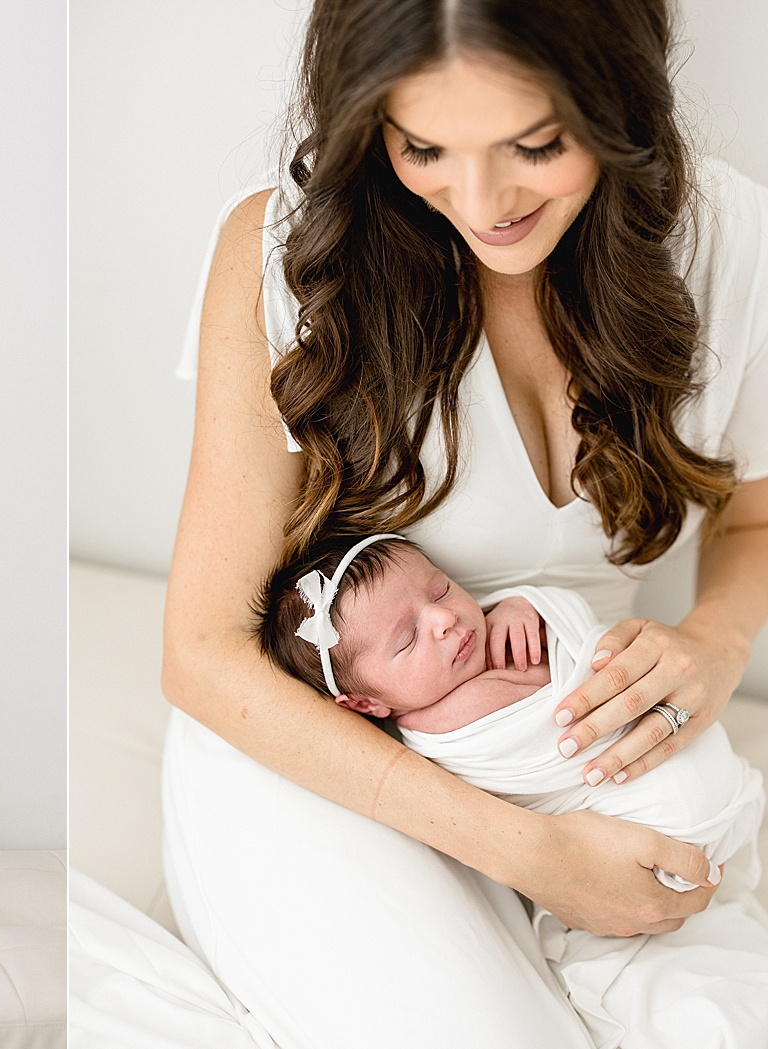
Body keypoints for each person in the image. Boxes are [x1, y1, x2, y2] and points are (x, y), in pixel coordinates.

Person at [161, 1, 768, 1045]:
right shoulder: (281, 254)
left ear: (617, 101)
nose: (480, 201)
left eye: (534, 146)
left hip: (564, 727)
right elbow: (201, 652)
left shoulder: (722, 238)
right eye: (422, 147)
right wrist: (528, 853)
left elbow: (752, 514)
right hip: (333, 750)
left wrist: (711, 640)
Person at [255, 533, 767, 1047]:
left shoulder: (497, 631)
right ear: (366, 705)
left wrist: (530, 607)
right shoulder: (438, 731)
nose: (444, 620)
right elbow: (554, 721)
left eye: (439, 591)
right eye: (408, 639)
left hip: (703, 780)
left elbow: (584, 637)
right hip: (640, 844)